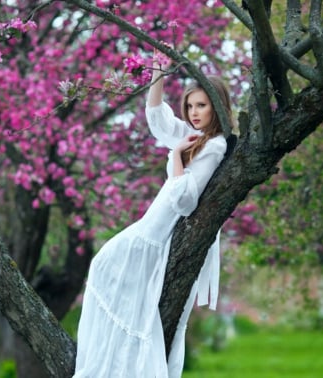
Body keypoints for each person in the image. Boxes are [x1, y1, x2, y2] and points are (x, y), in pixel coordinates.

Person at [73, 49, 234, 378]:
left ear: (217, 106)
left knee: (108, 273)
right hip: (149, 228)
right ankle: (108, 365)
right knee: (107, 276)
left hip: (156, 235)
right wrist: (158, 73)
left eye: (201, 105)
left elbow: (186, 201)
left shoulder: (214, 146)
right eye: (190, 106)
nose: (194, 112)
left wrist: (176, 155)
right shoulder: (196, 137)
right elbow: (159, 120)